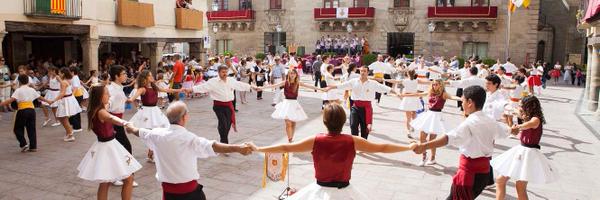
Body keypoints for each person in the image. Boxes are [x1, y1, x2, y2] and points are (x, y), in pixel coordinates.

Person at [250, 103, 417, 200]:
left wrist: (258, 148)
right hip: (345, 192)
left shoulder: (315, 140)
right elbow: (382, 147)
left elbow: (285, 147)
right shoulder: (352, 140)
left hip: (318, 191)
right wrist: (408, 147)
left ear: (324, 121)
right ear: (344, 121)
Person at [124, 101, 254, 200]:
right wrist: (238, 148)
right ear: (184, 117)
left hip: (169, 193)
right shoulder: (188, 138)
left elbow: (138, 131)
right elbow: (212, 146)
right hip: (189, 193)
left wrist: (130, 126)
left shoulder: (156, 134)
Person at [413, 85, 510, 200]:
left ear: (470, 102)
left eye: (462, 101)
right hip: (484, 173)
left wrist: (424, 146)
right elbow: (505, 131)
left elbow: (448, 138)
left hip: (469, 174)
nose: (462, 104)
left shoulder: (470, 123)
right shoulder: (490, 120)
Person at [77, 85, 142, 200]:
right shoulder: (101, 112)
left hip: (104, 145)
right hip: (109, 147)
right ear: (100, 96)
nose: (109, 95)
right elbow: (112, 118)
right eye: (107, 93)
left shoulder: (95, 109)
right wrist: (126, 123)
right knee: (128, 178)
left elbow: (109, 109)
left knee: (105, 182)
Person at [492, 96, 558, 200]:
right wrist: (509, 117)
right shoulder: (527, 116)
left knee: (520, 187)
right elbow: (516, 126)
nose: (520, 107)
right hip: (521, 150)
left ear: (529, 106)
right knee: (501, 180)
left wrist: (516, 126)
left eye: (521, 105)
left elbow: (527, 125)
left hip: (528, 154)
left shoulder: (536, 119)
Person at [189, 65, 259, 144]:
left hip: (229, 106)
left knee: (228, 125)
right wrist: (191, 89)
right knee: (223, 124)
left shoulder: (231, 80)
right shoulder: (213, 81)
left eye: (226, 72)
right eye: (223, 72)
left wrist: (251, 87)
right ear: (218, 72)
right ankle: (224, 143)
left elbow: (240, 85)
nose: (225, 74)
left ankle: (223, 139)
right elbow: (203, 87)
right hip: (218, 106)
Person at [326, 66, 394, 139]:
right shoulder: (354, 81)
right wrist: (331, 87)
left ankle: (363, 143)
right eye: (361, 71)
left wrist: (396, 92)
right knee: (353, 125)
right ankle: (355, 142)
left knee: (364, 128)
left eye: (364, 71)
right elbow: (342, 85)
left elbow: (384, 88)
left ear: (368, 72)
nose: (362, 73)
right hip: (355, 107)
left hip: (366, 108)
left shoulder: (373, 83)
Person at [259, 69, 324, 142]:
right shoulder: (285, 82)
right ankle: (289, 139)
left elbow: (310, 86)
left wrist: (321, 89)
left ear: (296, 75)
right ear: (289, 75)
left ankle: (291, 138)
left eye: (294, 73)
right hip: (286, 104)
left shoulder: (298, 83)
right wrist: (261, 88)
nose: (292, 75)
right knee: (288, 123)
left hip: (294, 104)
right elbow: (273, 85)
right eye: (291, 73)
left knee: (293, 123)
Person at [408, 79, 459, 166]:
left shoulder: (444, 94)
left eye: (436, 84)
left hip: (437, 117)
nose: (434, 86)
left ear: (441, 85)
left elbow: (452, 97)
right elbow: (418, 94)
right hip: (428, 115)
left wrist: (462, 98)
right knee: (422, 138)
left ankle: (432, 158)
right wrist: (403, 95)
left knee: (432, 140)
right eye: (433, 84)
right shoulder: (430, 92)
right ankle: (424, 157)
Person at [0, 75, 51, 152]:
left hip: (22, 110)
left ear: (19, 82)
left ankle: (23, 144)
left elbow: (11, 100)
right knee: (31, 128)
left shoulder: (18, 90)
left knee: (17, 128)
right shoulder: (31, 90)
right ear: (28, 81)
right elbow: (40, 97)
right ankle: (33, 147)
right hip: (31, 110)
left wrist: (1, 104)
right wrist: (48, 101)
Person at [52, 67, 83, 142]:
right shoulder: (67, 80)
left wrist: (54, 100)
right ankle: (69, 132)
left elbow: (62, 93)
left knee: (62, 117)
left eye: (59, 73)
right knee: (63, 117)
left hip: (65, 100)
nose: (58, 74)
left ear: (63, 74)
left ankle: (70, 133)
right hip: (68, 99)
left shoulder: (64, 82)